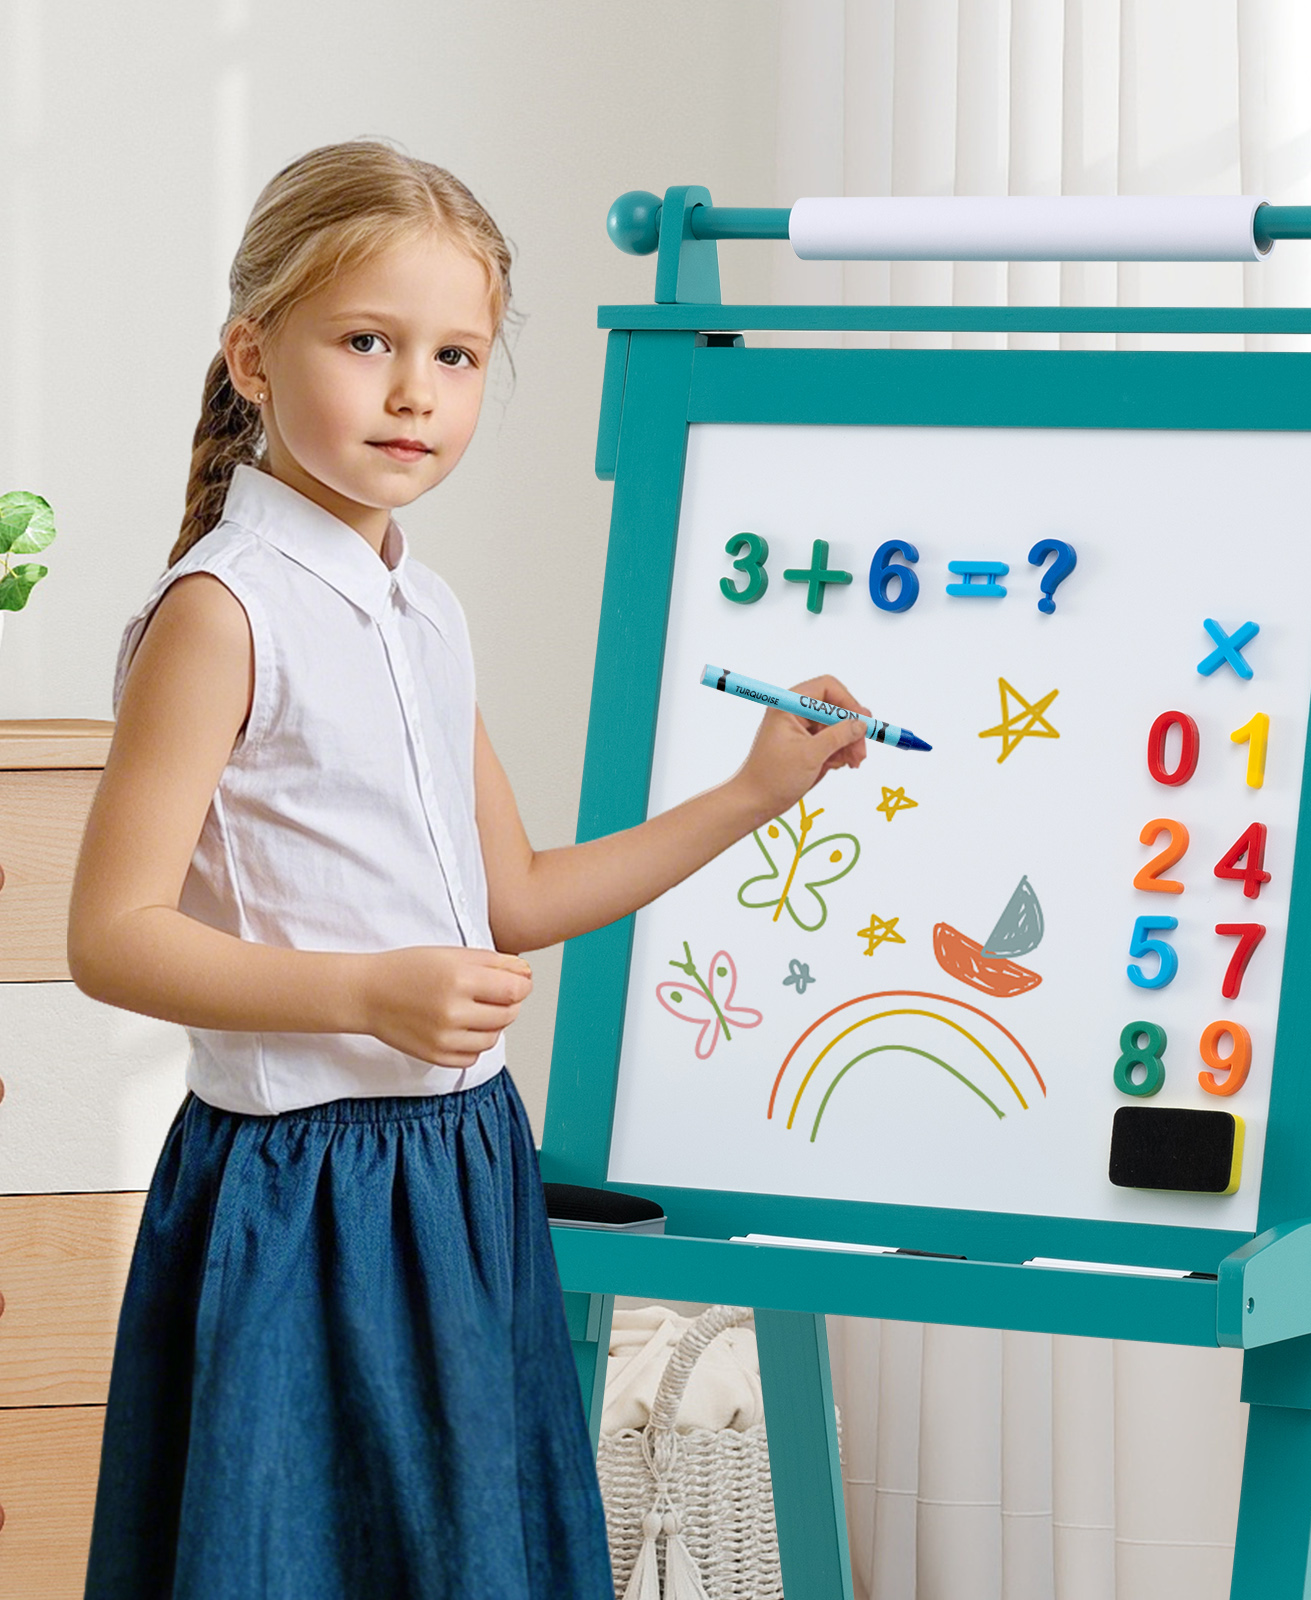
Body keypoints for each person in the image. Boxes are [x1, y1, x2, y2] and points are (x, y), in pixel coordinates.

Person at [67, 137, 869, 1600]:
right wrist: (367, 990)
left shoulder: (421, 610)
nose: (415, 391)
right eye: (366, 341)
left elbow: (517, 900)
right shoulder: (222, 612)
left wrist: (758, 792)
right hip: (299, 1196)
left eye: (458, 353)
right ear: (253, 355)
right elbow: (111, 935)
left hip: (459, 1168)